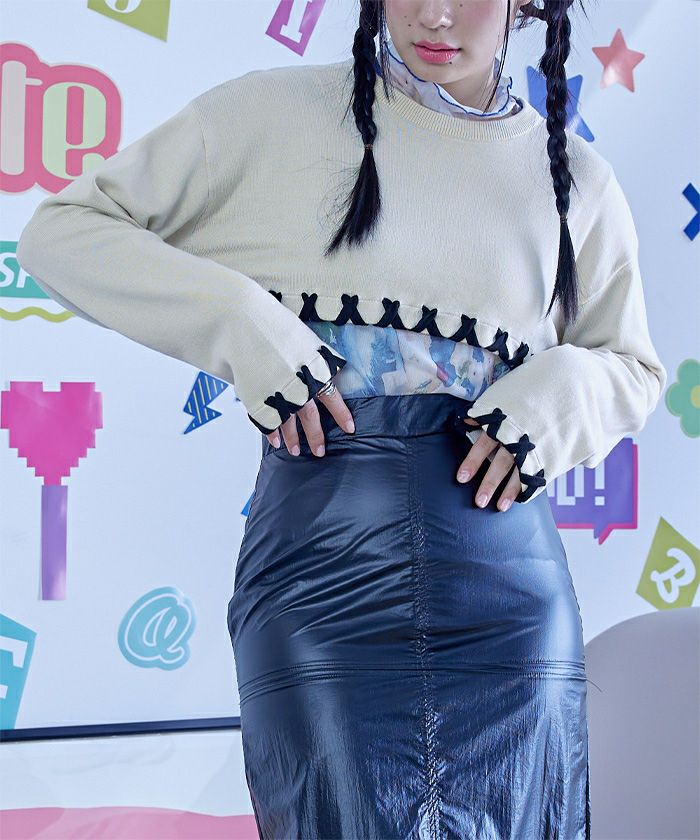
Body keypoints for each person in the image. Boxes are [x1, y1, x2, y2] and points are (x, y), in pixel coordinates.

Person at [16, 0, 667, 837]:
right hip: (323, 572)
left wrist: (553, 398)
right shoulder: (269, 115)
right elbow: (62, 233)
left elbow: (631, 366)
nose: (435, 14)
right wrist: (245, 327)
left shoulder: (575, 180)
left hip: (506, 590)